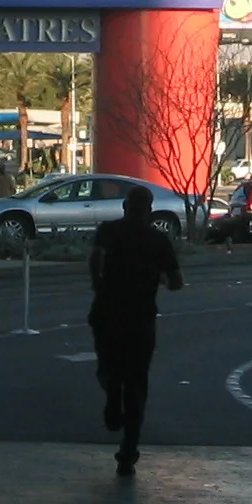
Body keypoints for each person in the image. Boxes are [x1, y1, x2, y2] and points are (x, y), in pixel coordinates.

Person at [89, 186, 184, 475]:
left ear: (124, 207)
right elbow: (176, 280)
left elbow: (96, 257)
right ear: (149, 210)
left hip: (107, 311)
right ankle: (128, 451)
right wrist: (161, 282)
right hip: (140, 318)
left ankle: (111, 390)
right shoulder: (157, 240)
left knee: (108, 363)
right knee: (137, 383)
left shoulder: (108, 230)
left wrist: (98, 282)